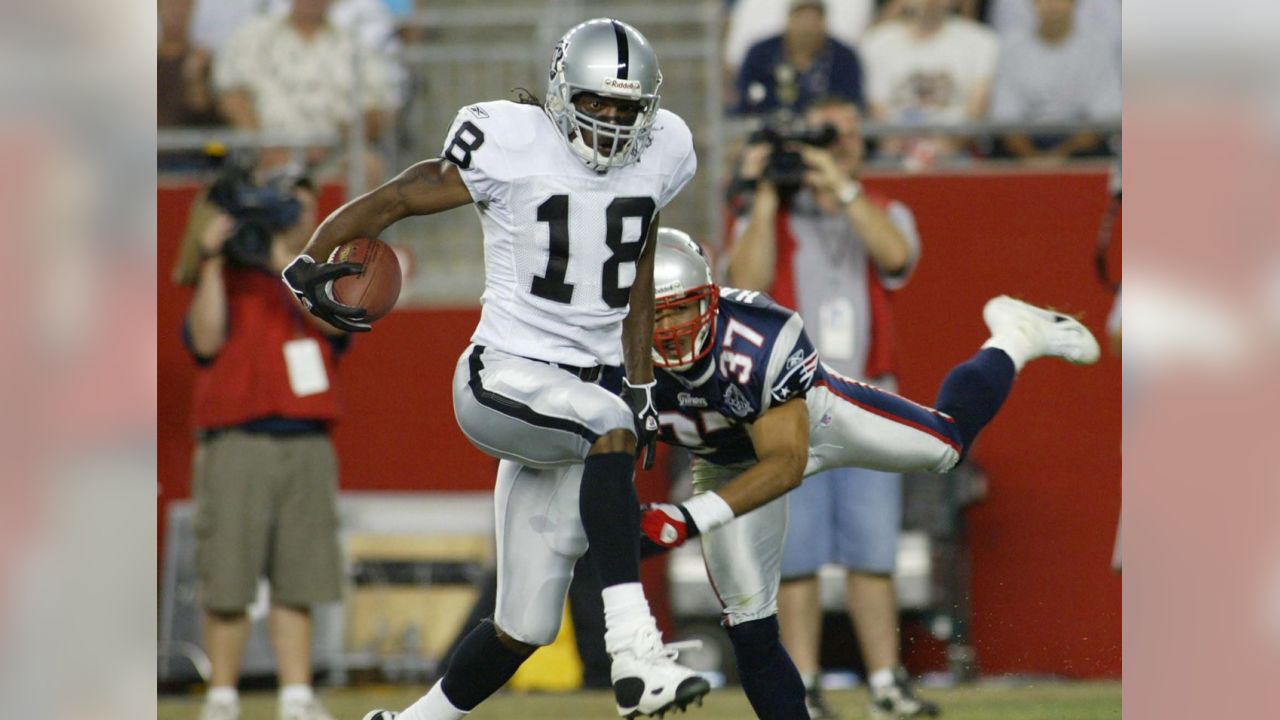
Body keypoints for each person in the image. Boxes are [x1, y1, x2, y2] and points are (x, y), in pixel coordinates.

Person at [278, 18, 710, 720]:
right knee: (606, 425)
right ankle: (637, 652)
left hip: (582, 399)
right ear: (562, 93)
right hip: (504, 377)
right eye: (595, 102)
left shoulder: (666, 150)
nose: (608, 120)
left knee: (527, 626)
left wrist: (641, 386)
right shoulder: (511, 139)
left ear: (649, 109)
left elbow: (633, 274)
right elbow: (401, 194)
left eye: (624, 107)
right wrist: (315, 248)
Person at [636, 228, 1100, 720]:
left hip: (812, 423)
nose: (670, 328)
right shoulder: (612, 353)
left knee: (946, 446)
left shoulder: (757, 337)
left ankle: (1014, 336)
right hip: (724, 460)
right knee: (749, 627)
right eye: (657, 313)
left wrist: (688, 517)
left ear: (710, 301)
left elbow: (786, 463)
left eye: (682, 308)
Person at [723, 95, 928, 718]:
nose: (834, 146)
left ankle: (886, 683)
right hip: (793, 400)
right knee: (799, 556)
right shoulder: (769, 216)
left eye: (843, 137)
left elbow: (896, 256)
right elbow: (746, 284)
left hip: (868, 392)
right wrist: (764, 193)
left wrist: (839, 185)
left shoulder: (883, 208)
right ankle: (804, 684)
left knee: (872, 553)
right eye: (826, 138)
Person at [175, 167, 346, 720]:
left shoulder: (319, 278)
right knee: (226, 575)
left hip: (304, 439)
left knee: (298, 576)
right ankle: (222, 696)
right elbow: (204, 340)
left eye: (300, 208)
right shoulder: (228, 278)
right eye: (287, 209)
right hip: (235, 439)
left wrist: (283, 266)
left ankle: (295, 695)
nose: (296, 219)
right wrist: (212, 259)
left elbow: (337, 329)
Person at [212, 0, 397, 180]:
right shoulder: (253, 36)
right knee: (245, 170)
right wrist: (263, 146)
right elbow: (231, 95)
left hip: (336, 153)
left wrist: (337, 141)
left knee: (369, 165)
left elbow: (380, 108)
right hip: (263, 151)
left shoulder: (355, 45)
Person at [859, 0, 999, 168]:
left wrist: (947, 146)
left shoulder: (980, 40)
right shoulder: (876, 41)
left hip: (956, 150)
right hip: (894, 150)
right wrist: (906, 147)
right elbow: (876, 108)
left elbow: (977, 108)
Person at [989, 0, 1121, 163]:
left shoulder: (1099, 49)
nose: (1052, 5)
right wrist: (1033, 158)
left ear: (1075, 3)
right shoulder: (1010, 49)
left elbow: (1104, 118)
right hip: (1024, 143)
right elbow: (1005, 119)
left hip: (1082, 145)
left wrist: (1061, 156)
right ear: (1032, 4)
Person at [734, 0, 865, 116]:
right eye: (801, 18)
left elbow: (852, 103)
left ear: (824, 24)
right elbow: (744, 100)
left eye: (813, 20)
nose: (807, 28)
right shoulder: (761, 53)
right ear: (789, 21)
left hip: (825, 134)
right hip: (766, 131)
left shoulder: (843, 58)